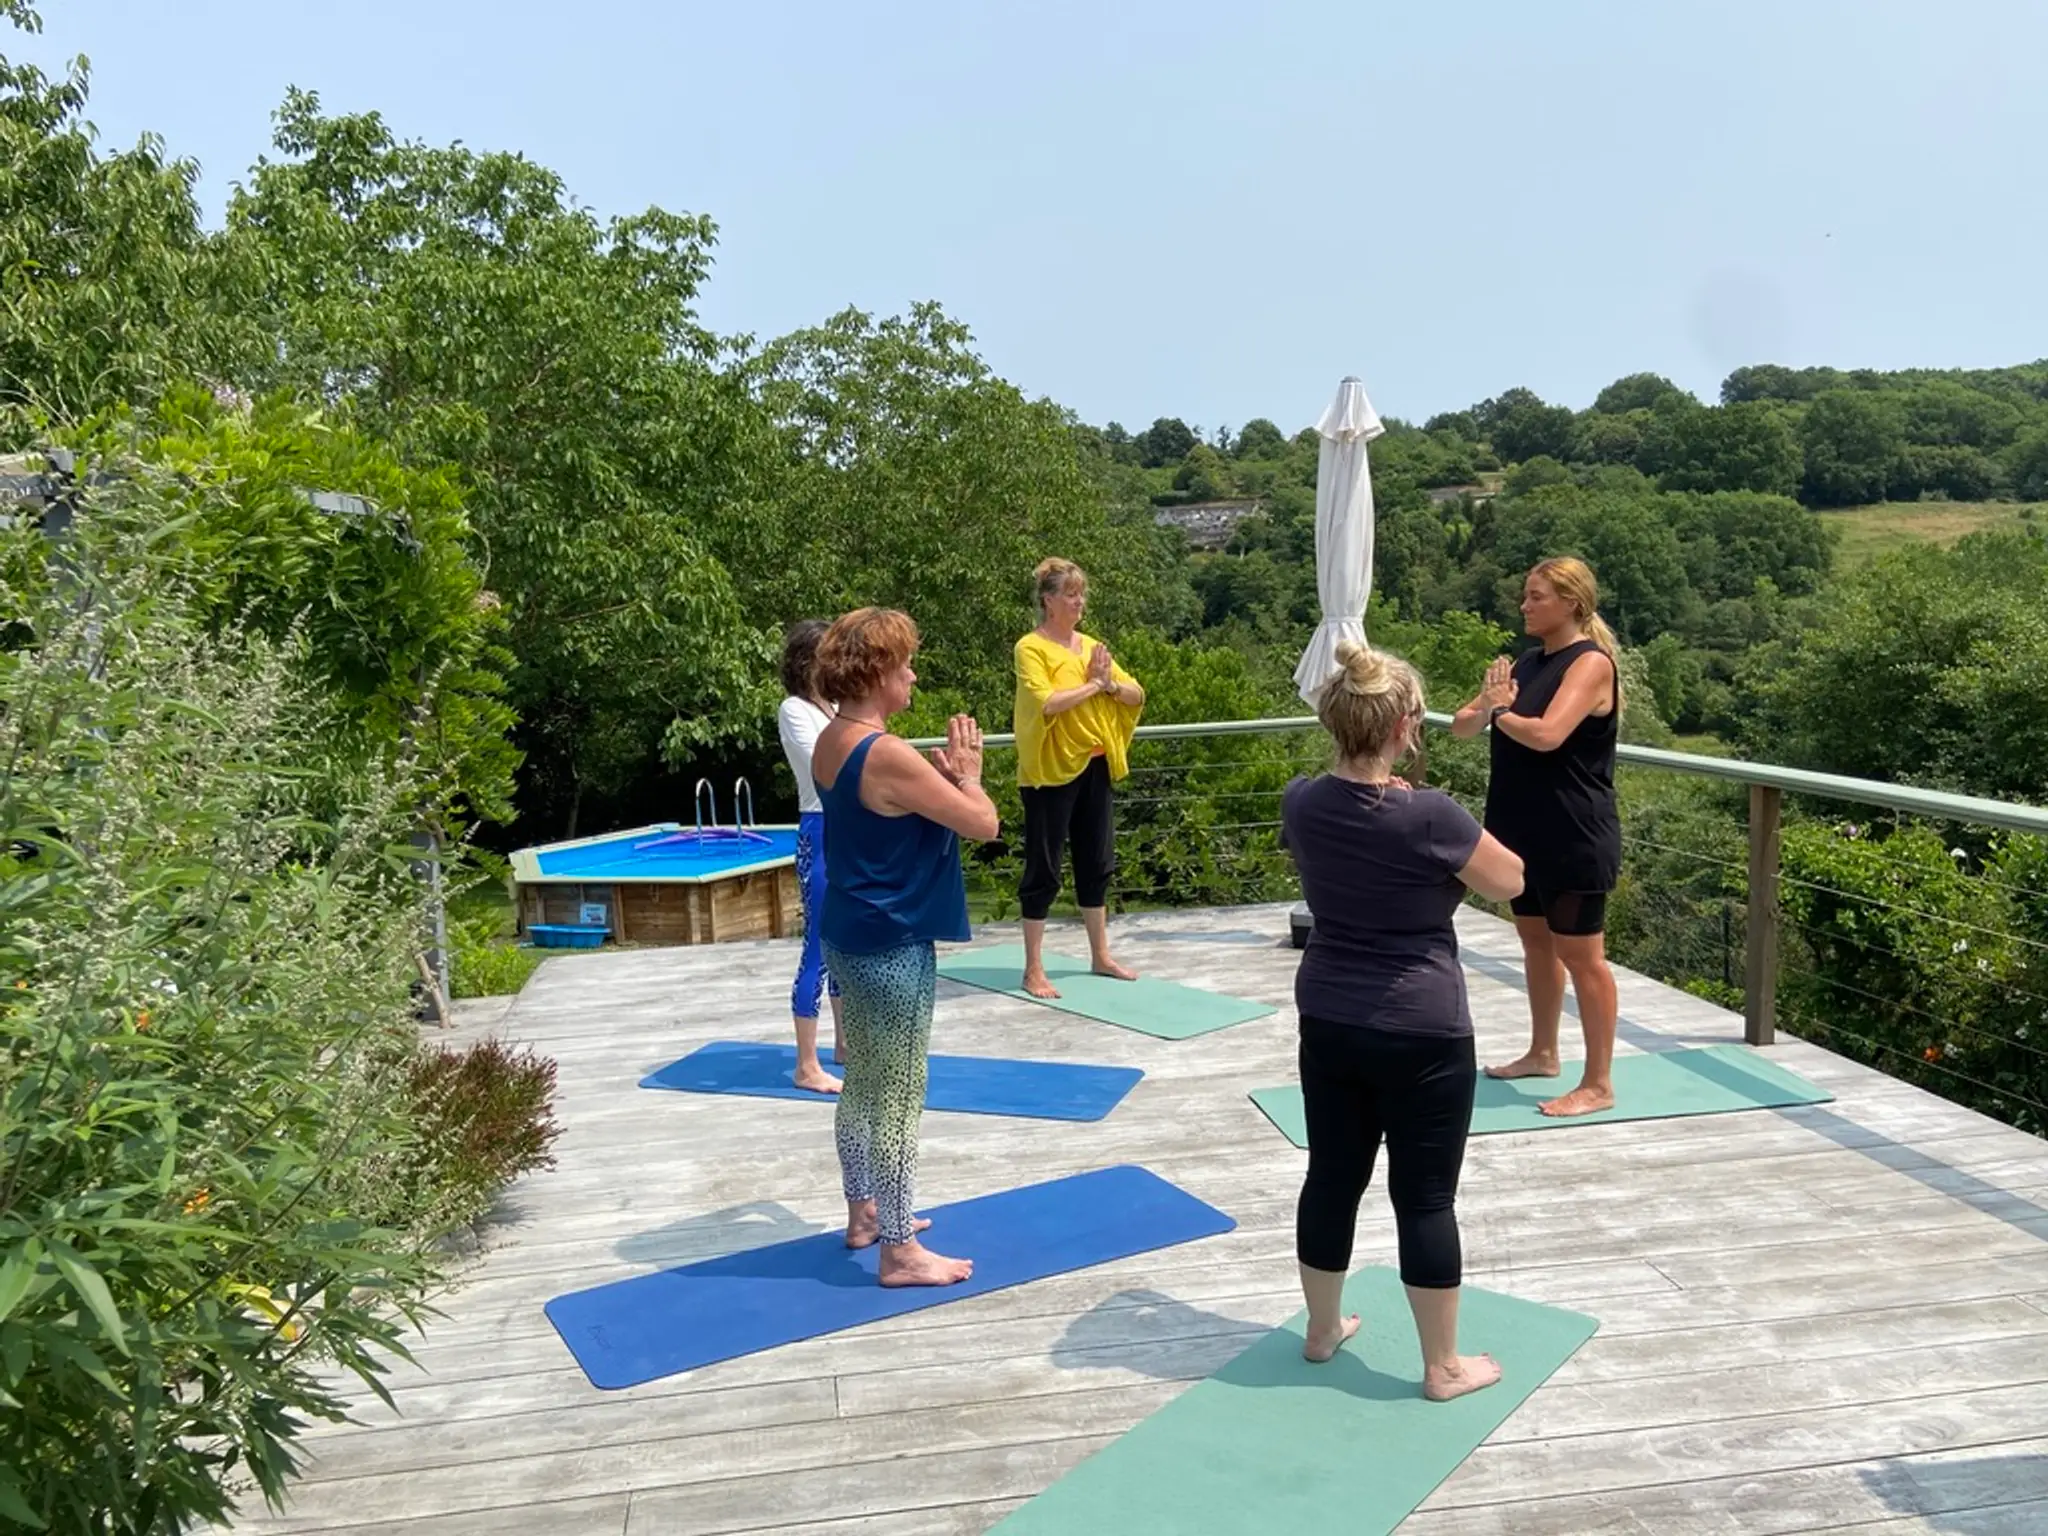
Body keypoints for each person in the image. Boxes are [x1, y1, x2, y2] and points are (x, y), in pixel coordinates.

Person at [1281, 640, 1524, 1395]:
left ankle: (1322, 1330)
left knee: (1331, 1175)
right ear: (1404, 726)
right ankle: (1442, 1367)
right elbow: (1511, 881)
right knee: (1424, 1198)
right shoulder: (1430, 816)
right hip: (1422, 1026)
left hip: (1328, 1014)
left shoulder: (1301, 800)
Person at [810, 607, 999, 1286]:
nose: (914, 675)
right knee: (898, 1096)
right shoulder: (886, 753)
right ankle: (898, 1250)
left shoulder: (832, 739)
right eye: (907, 664)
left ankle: (864, 1213)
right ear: (880, 672)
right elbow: (982, 823)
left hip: (847, 931)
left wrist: (938, 780)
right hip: (890, 946)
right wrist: (968, 774)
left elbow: (887, 817)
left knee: (861, 1082)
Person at [1450, 555, 1623, 1118]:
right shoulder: (1526, 661)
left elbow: (1548, 735)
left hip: (1573, 831)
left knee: (1582, 955)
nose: (1525, 605)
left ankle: (1598, 1083)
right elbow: (1459, 724)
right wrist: (1489, 706)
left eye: (1537, 596)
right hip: (1520, 829)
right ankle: (1544, 1052)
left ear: (1571, 602)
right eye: (1525, 596)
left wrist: (1498, 713)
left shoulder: (1590, 664)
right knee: (1535, 943)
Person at [1012, 557, 1145, 998]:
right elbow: (1046, 703)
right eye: (1071, 595)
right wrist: (1094, 685)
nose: (1079, 602)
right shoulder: (1030, 648)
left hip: (1095, 762)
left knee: (1097, 860)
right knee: (1044, 866)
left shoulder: (1092, 647)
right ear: (1049, 601)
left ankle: (1100, 955)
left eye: (1081, 594)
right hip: (1049, 770)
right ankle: (1033, 967)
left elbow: (1136, 692)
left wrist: (1107, 684)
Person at [776, 619, 844, 1094]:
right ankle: (806, 1064)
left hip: (848, 829)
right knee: (818, 945)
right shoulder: (794, 709)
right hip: (819, 829)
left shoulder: (838, 706)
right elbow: (826, 762)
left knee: (845, 941)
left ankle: (843, 1044)